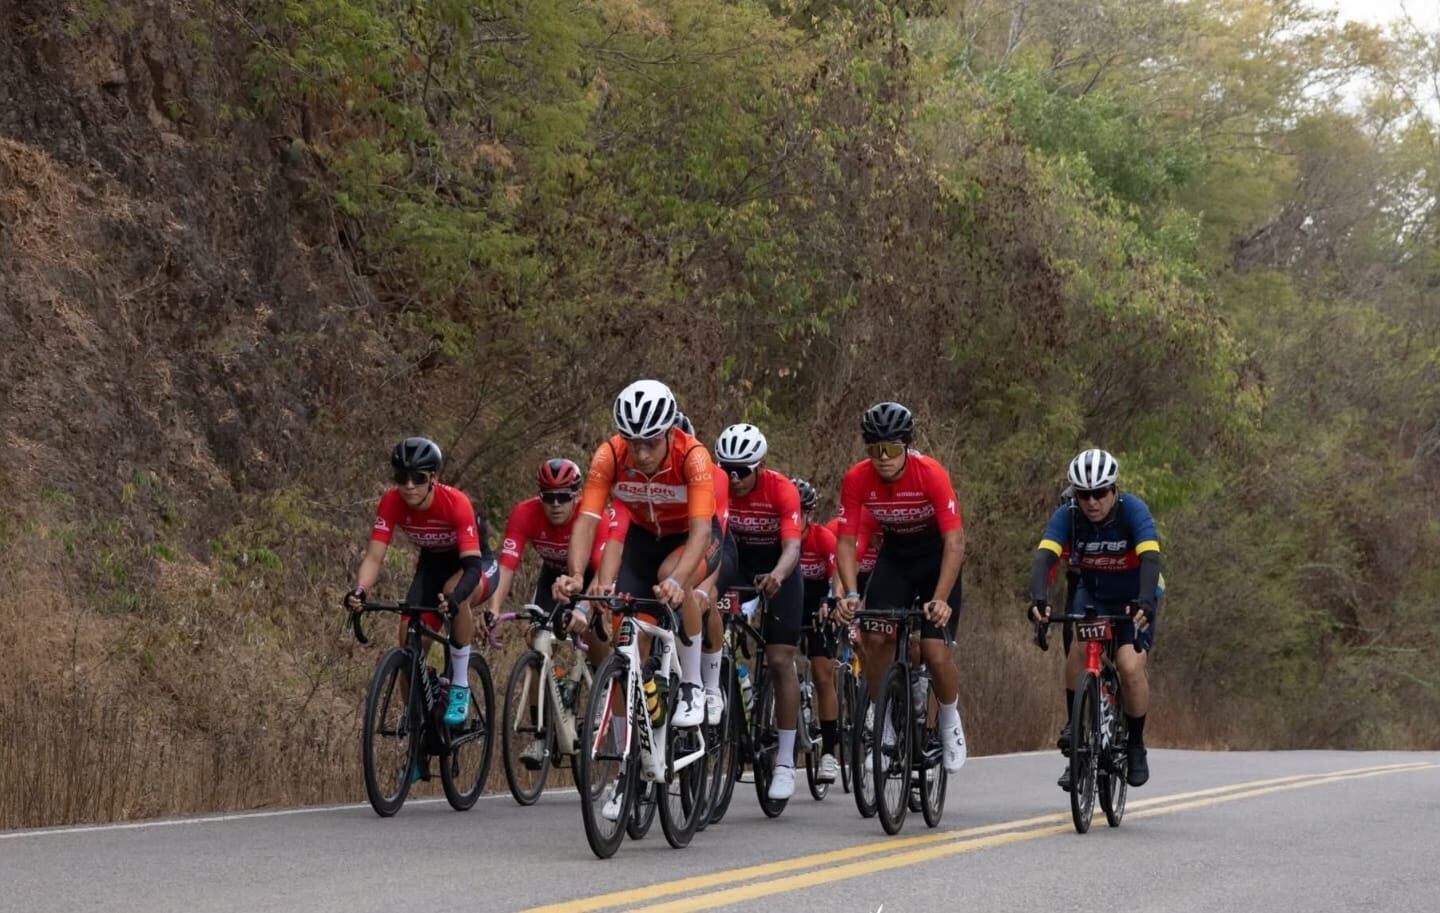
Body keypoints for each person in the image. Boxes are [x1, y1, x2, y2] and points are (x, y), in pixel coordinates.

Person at [553, 380, 722, 733]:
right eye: (632, 442)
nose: (641, 453)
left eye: (651, 442)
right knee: (626, 645)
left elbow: (701, 533)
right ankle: (624, 756)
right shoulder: (609, 455)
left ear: (669, 433)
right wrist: (577, 575)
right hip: (643, 541)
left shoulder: (692, 456)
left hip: (691, 538)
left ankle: (692, 685)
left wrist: (676, 581)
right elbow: (587, 520)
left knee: (672, 574)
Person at [833, 402, 968, 772]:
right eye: (874, 449)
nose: (883, 458)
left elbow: (955, 542)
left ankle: (949, 721)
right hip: (896, 557)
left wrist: (940, 598)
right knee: (874, 638)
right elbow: (845, 542)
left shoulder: (931, 474)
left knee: (934, 652)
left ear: (906, 446)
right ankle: (886, 722)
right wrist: (850, 593)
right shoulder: (857, 478)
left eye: (891, 449)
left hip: (935, 558)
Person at [1026, 448, 1161, 790]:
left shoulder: (1133, 510)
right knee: (1080, 647)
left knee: (1129, 665)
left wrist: (1145, 602)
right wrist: (1039, 600)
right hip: (1095, 593)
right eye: (1083, 494)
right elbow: (1044, 557)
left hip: (1135, 595)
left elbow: (1150, 558)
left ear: (1114, 490)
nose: (1092, 502)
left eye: (1100, 493)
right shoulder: (1068, 515)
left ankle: (1135, 743)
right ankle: (1077, 734)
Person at [344, 437, 498, 729]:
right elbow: (374, 556)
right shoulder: (391, 502)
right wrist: (360, 591)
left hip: (474, 564)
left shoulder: (455, 503)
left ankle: (460, 684)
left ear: (433, 479)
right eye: (401, 477)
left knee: (455, 593)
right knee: (409, 644)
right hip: (432, 566)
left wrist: (454, 599)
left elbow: (471, 567)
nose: (409, 485)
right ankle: (417, 724)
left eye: (418, 478)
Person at [486, 458, 611, 768]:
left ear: (577, 495)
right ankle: (541, 733)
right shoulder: (524, 513)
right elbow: (507, 565)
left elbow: (602, 572)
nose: (556, 504)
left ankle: (604, 685)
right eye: (549, 497)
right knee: (537, 641)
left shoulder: (592, 517)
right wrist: (493, 609)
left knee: (590, 629)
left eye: (563, 497)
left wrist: (584, 607)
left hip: (593, 576)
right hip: (552, 577)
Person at [714, 423, 804, 800]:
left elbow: (792, 547)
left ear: (761, 466)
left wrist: (778, 576)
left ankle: (784, 760)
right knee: (709, 631)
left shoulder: (781, 490)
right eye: (726, 470)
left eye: (742, 471)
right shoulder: (716, 487)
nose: (733, 479)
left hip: (779, 568)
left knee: (779, 659)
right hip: (736, 564)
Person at [792, 477, 844, 783]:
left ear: (809, 514)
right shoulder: (778, 539)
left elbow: (838, 575)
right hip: (791, 599)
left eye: (800, 512)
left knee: (823, 675)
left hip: (819, 601)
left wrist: (831, 601)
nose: (794, 517)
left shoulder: (822, 538)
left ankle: (829, 753)